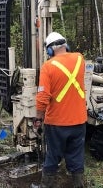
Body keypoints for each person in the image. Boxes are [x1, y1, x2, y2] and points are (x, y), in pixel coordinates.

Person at [31, 32, 87, 188]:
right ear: (65, 46)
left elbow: (42, 98)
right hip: (79, 121)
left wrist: (38, 119)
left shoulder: (48, 67)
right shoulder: (80, 59)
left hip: (57, 123)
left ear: (49, 51)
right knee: (76, 156)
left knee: (53, 156)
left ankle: (46, 186)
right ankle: (78, 185)